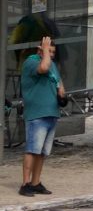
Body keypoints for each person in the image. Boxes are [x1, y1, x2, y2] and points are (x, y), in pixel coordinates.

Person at [18, 33, 60, 196]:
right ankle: (25, 183)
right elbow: (43, 68)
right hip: (37, 114)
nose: (51, 55)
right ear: (40, 50)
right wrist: (44, 51)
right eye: (49, 51)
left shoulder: (52, 64)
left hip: (51, 112)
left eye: (53, 52)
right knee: (32, 149)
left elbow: (57, 80)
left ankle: (36, 182)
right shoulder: (31, 62)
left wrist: (61, 91)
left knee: (42, 152)